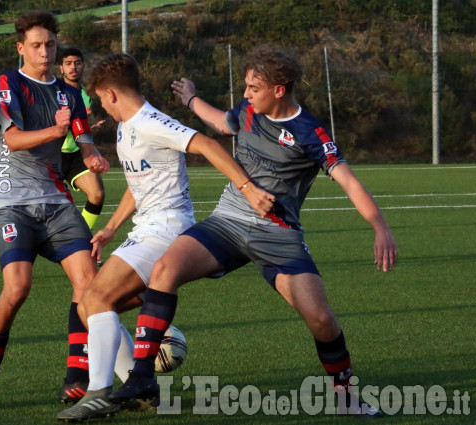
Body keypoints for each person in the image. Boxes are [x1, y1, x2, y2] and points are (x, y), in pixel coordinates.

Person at [109, 45, 398, 418]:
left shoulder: (309, 132)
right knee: (165, 269)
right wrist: (191, 97)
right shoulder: (247, 113)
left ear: (279, 89)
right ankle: (142, 377)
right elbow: (218, 121)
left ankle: (346, 398)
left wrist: (380, 227)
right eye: (246, 86)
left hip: (278, 236)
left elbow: (349, 181)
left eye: (253, 87)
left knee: (322, 321)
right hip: (227, 222)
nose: (245, 94)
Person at [56, 53, 274, 422]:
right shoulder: (126, 127)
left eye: (98, 99)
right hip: (147, 228)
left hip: (167, 229)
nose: (99, 107)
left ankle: (98, 394)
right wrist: (110, 227)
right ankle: (139, 389)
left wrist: (247, 188)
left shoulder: (150, 122)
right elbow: (138, 184)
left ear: (110, 94)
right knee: (90, 304)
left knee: (94, 297)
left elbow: (207, 144)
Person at [0, 10, 110, 409]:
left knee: (89, 282)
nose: (44, 51)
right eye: (36, 45)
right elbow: (13, 140)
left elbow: (84, 143)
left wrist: (94, 156)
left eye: (50, 43)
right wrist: (56, 129)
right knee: (17, 289)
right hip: (11, 200)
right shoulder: (9, 83)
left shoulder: (69, 94)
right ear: (21, 48)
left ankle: (76, 373)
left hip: (55, 200)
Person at [57, 47, 106, 232]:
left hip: (77, 153)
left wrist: (88, 131)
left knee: (97, 194)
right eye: (68, 64)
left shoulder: (86, 95)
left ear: (83, 66)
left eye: (77, 63)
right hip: (55, 154)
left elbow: (80, 125)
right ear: (61, 68)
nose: (73, 67)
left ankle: (83, 240)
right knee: (58, 207)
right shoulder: (55, 92)